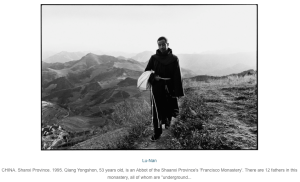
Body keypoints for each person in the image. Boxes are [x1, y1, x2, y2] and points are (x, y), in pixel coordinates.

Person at [145, 36, 184, 142]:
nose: (161, 46)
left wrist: (178, 91)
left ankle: (167, 122)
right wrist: (154, 77)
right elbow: (147, 72)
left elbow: (177, 75)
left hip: (170, 86)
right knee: (157, 110)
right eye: (159, 44)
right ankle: (157, 133)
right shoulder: (153, 58)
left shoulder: (174, 59)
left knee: (169, 107)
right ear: (158, 45)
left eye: (163, 44)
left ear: (168, 44)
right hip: (157, 88)